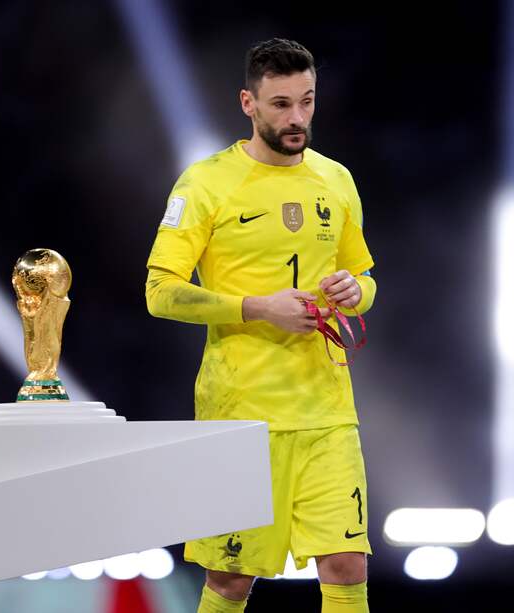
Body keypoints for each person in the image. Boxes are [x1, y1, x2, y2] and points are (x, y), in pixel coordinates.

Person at [145, 38, 377, 613]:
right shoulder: (205, 184)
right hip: (242, 414)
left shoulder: (336, 180)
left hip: (327, 411)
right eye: (280, 104)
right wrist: (257, 307)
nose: (296, 117)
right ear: (247, 103)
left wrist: (357, 291)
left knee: (348, 564)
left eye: (306, 101)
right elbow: (160, 293)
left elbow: (365, 281)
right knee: (230, 580)